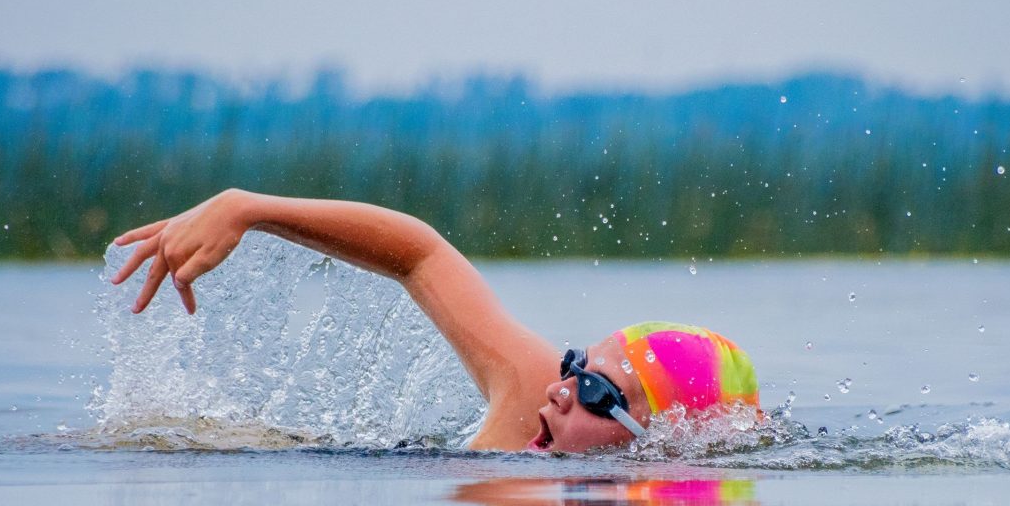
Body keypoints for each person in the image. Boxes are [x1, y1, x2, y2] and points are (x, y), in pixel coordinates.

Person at [111, 188, 758, 452]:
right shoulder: (529, 399)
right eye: (574, 366)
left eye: (596, 390)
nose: (561, 388)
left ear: (658, 444)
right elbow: (420, 256)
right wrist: (247, 208)